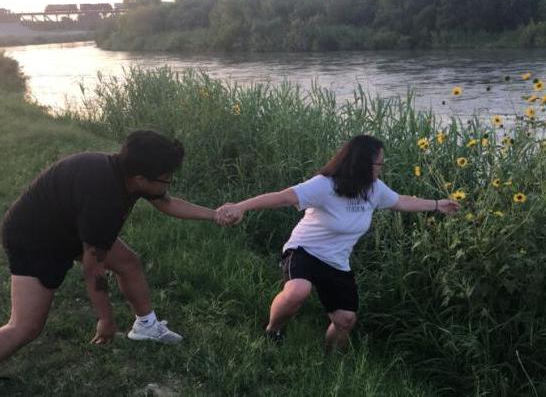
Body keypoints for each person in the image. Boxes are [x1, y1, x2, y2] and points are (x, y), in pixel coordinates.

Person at [0, 130, 226, 364]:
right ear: (141, 179)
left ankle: (146, 326)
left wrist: (215, 215)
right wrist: (106, 319)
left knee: (128, 262)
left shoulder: (124, 171)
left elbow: (167, 203)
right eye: (167, 177)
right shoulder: (105, 201)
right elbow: (93, 270)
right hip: (34, 240)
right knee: (25, 327)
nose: (169, 182)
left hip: (68, 224)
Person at [217, 135, 460, 351]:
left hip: (336, 261)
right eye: (379, 163)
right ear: (363, 164)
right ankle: (272, 332)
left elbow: (402, 202)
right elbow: (284, 197)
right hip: (305, 250)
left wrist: (438, 204)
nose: (382, 168)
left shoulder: (374, 189)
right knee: (298, 291)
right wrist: (241, 207)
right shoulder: (325, 185)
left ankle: (330, 361)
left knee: (345, 321)